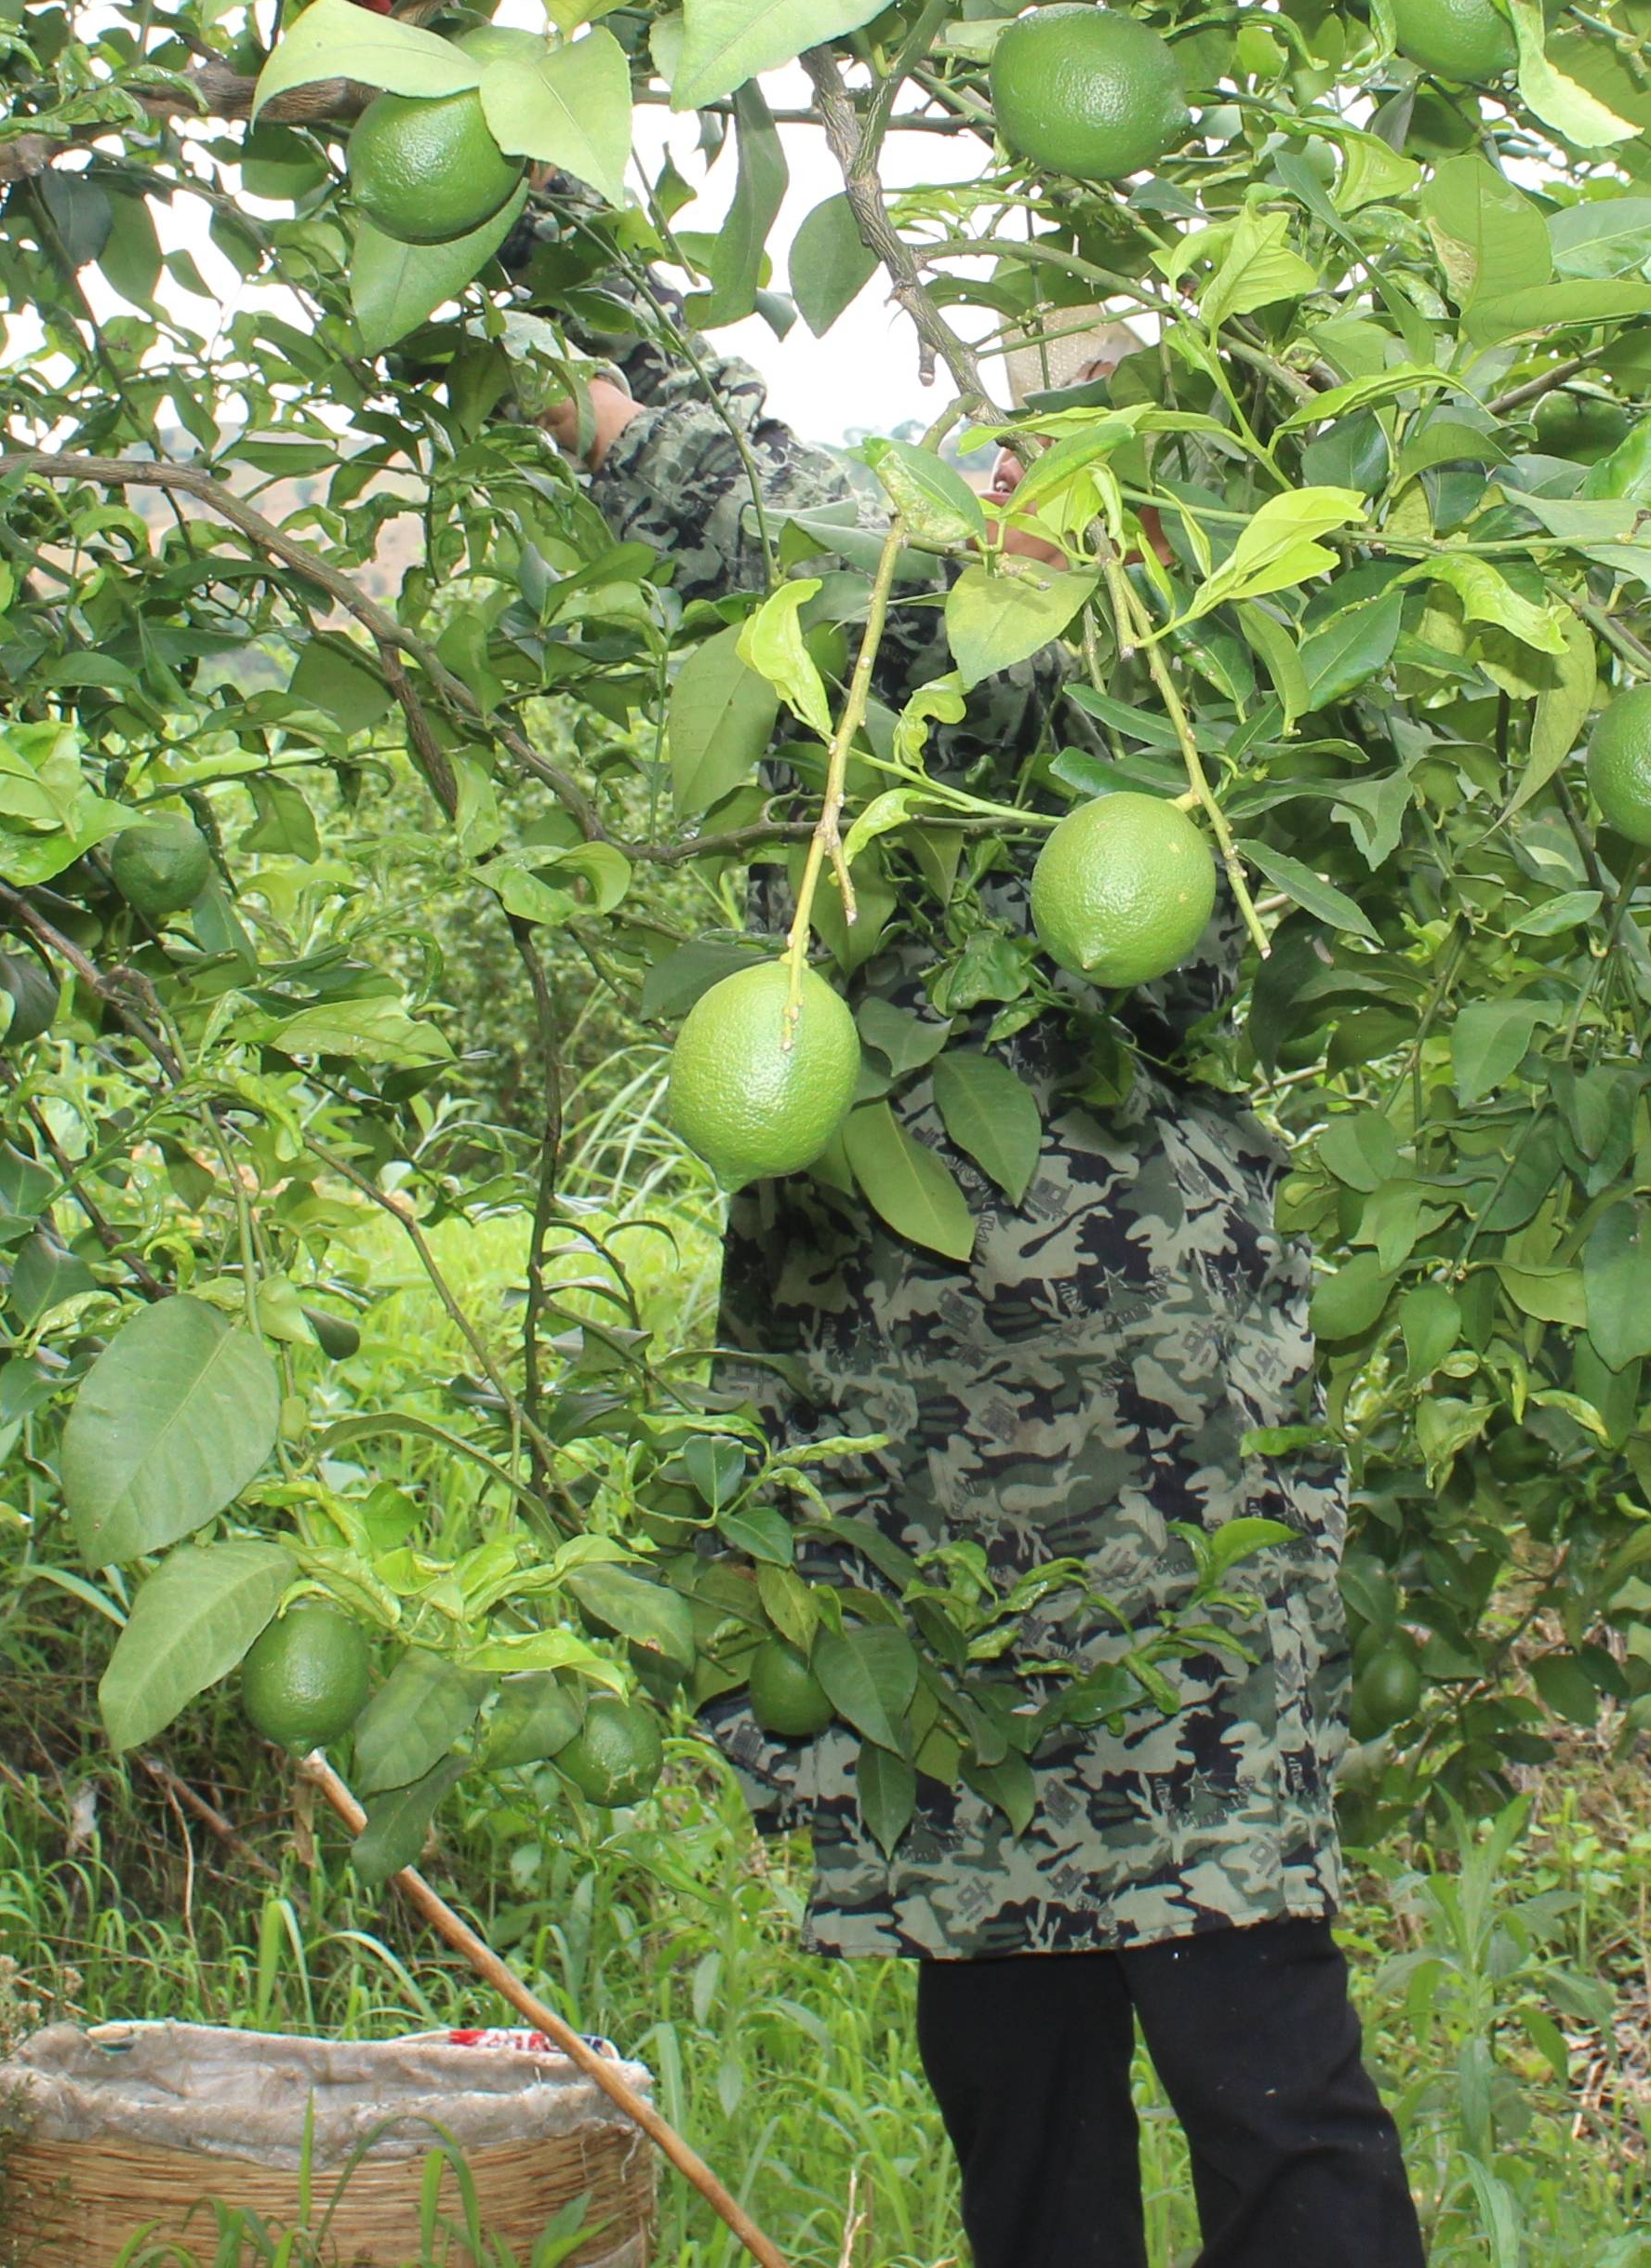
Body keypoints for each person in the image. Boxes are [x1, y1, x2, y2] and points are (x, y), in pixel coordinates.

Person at [533, 299, 1428, 2268]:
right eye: (1013, 452)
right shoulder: (900, 633)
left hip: (1149, 1471)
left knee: (1244, 2016)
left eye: (1077, 471)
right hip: (916, 1461)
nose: (1019, 493)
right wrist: (584, 292)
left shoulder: (1155, 691)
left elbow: (833, 566)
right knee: (1006, 2025)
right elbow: (816, 528)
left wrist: (634, 445)